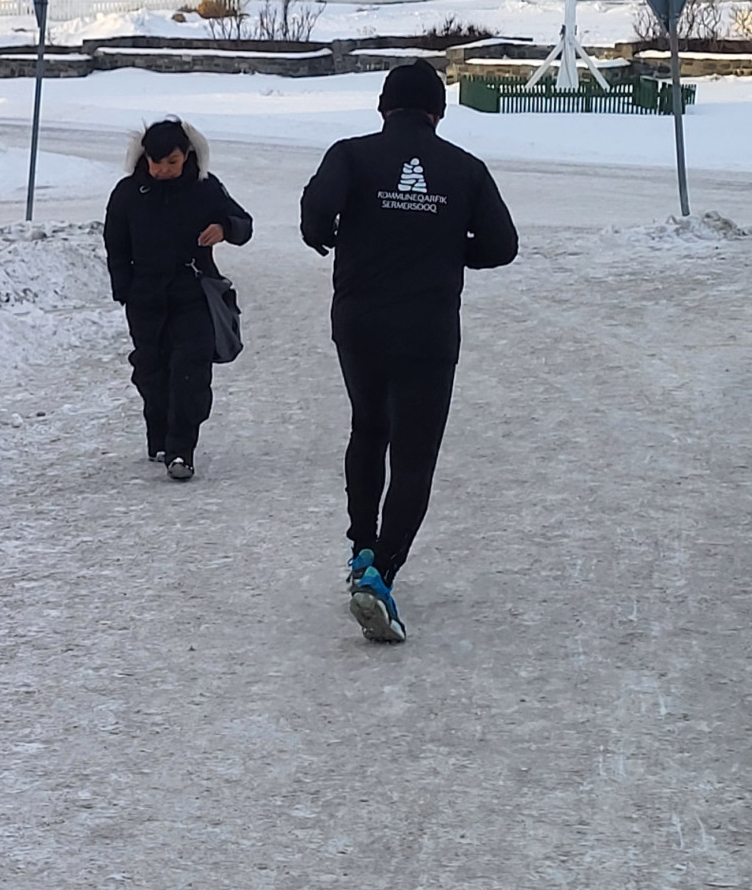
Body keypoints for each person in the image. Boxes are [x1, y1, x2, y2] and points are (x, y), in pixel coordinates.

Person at [301, 61, 517, 644]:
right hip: (427, 328)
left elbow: (316, 208)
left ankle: (360, 547)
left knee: (368, 428)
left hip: (360, 322)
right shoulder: (466, 170)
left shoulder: (349, 154)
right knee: (415, 454)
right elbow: (503, 245)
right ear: (439, 114)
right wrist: (447, 247)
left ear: (382, 108)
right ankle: (380, 574)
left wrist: (326, 232)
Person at [103, 117, 253, 482]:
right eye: (156, 163)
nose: (162, 170)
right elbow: (115, 246)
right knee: (152, 371)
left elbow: (243, 223)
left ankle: (181, 449)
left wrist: (225, 228)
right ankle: (159, 434)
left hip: (193, 292)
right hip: (146, 297)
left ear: (186, 156)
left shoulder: (205, 189)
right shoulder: (127, 193)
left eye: (171, 162)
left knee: (191, 370)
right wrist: (124, 289)